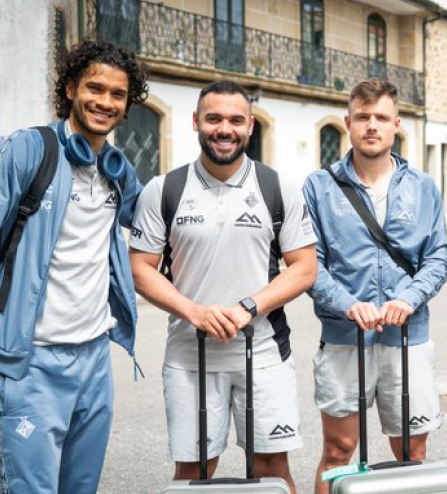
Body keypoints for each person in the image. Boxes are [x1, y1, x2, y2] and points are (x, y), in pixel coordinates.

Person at [0, 39, 149, 493]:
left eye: (117, 94)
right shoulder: (28, 149)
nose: (104, 101)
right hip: (29, 363)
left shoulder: (116, 170)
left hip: (94, 359)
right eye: (94, 87)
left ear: (127, 105)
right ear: (69, 87)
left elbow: (156, 224)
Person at [128, 80, 317, 492]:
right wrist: (195, 312)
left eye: (235, 120)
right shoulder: (164, 189)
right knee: (194, 474)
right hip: (189, 356)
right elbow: (140, 268)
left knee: (273, 470)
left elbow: (304, 267)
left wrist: (248, 306)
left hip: (264, 353)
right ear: (196, 122)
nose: (224, 129)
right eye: (213, 118)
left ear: (250, 126)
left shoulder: (277, 186)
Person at [303, 78, 447, 494]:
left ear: (396, 125)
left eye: (381, 118)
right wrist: (348, 304)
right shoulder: (318, 186)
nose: (372, 125)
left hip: (408, 338)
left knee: (411, 451)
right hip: (344, 337)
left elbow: (439, 256)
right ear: (347, 123)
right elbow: (309, 264)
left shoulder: (422, 186)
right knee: (338, 449)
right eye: (363, 117)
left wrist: (409, 297)